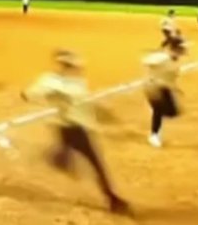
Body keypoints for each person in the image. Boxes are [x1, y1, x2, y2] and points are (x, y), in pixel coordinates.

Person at [21, 50, 131, 215]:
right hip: (71, 128)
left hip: (74, 127)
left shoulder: (73, 82)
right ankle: (112, 198)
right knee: (96, 162)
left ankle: (60, 157)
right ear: (66, 65)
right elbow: (29, 94)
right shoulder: (53, 82)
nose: (78, 69)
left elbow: (83, 104)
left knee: (83, 157)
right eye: (74, 66)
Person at [143, 36, 187, 148]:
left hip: (165, 88)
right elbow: (146, 61)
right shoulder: (162, 58)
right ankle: (154, 135)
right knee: (159, 109)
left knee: (173, 112)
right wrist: (151, 77)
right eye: (180, 49)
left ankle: (155, 110)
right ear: (174, 48)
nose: (182, 51)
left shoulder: (175, 63)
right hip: (153, 87)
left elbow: (171, 79)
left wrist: (176, 88)